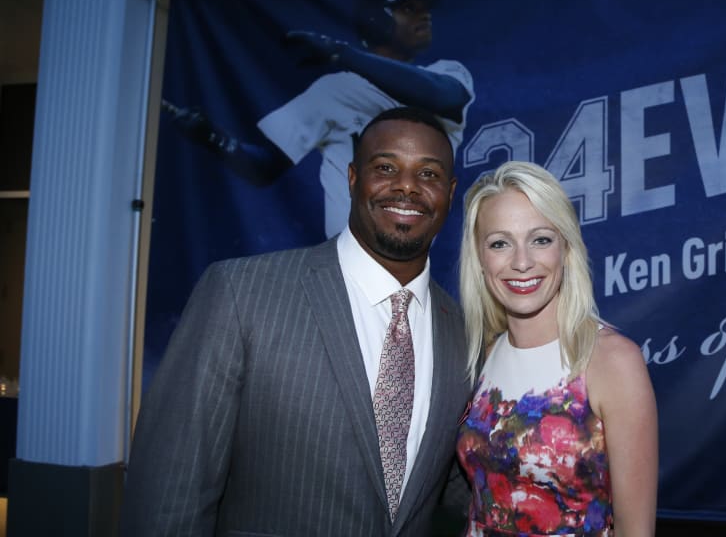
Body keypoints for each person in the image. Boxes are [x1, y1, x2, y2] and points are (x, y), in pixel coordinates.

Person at [124, 106, 472, 536]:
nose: (406, 185)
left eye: (428, 174)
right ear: (352, 178)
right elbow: (169, 493)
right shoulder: (241, 293)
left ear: (450, 193)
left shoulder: (463, 334)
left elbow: (459, 486)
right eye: (385, 167)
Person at [164, 0, 474, 239]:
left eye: (425, 8)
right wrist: (212, 137)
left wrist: (341, 53)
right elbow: (264, 167)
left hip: (414, 253)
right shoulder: (334, 90)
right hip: (342, 257)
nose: (424, 15)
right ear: (376, 19)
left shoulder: (446, 73)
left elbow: (443, 96)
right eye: (408, 8)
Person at [455, 162, 658, 536]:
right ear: (480, 259)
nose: (521, 262)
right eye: (500, 243)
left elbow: (637, 531)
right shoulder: (483, 354)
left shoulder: (612, 362)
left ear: (566, 248)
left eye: (541, 239)